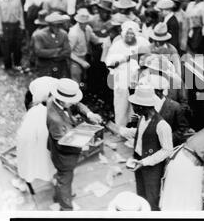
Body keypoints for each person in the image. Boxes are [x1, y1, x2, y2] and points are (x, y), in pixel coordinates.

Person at [47, 78, 102, 210]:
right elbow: (63, 144)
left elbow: (77, 104)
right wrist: (85, 144)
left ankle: (58, 194)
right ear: (61, 99)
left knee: (62, 177)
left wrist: (90, 113)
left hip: (61, 148)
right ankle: (66, 208)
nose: (74, 103)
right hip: (63, 156)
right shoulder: (55, 119)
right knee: (65, 178)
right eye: (71, 101)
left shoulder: (57, 100)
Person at [125, 85, 173, 211]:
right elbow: (140, 135)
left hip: (152, 168)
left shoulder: (162, 125)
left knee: (152, 198)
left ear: (141, 106)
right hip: (139, 162)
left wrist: (145, 162)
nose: (133, 108)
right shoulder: (142, 118)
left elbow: (167, 150)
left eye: (134, 105)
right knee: (141, 195)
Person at [12, 76, 58, 192]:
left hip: (36, 139)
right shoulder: (45, 112)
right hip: (44, 139)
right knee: (45, 157)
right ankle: (50, 175)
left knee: (29, 158)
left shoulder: (34, 111)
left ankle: (24, 179)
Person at [105, 20, 150, 126]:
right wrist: (125, 58)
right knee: (121, 105)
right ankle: (121, 127)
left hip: (139, 78)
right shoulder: (117, 45)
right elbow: (109, 62)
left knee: (139, 104)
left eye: (132, 33)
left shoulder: (143, 42)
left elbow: (149, 58)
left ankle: (138, 128)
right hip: (122, 79)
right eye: (127, 33)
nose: (129, 36)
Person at [139, 74, 189, 147]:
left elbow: (181, 130)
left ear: (158, 92)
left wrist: (165, 139)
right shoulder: (147, 105)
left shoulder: (175, 107)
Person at [68, 8, 110, 84]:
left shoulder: (88, 28)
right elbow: (68, 52)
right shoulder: (73, 33)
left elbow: (95, 40)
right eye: (82, 22)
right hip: (75, 59)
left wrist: (106, 40)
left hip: (86, 56)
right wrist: (81, 62)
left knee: (87, 78)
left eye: (85, 22)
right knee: (76, 78)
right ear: (78, 22)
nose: (84, 24)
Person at [0, 0, 25, 71]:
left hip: (16, 24)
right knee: (6, 47)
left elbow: (20, 12)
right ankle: (8, 66)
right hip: (5, 26)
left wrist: (22, 26)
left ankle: (17, 64)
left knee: (17, 46)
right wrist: (0, 31)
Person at [32, 12, 71, 78]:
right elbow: (39, 52)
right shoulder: (39, 35)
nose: (57, 28)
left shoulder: (64, 34)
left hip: (60, 65)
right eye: (54, 25)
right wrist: (57, 51)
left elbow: (67, 51)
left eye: (59, 25)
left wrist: (50, 53)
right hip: (45, 66)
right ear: (49, 25)